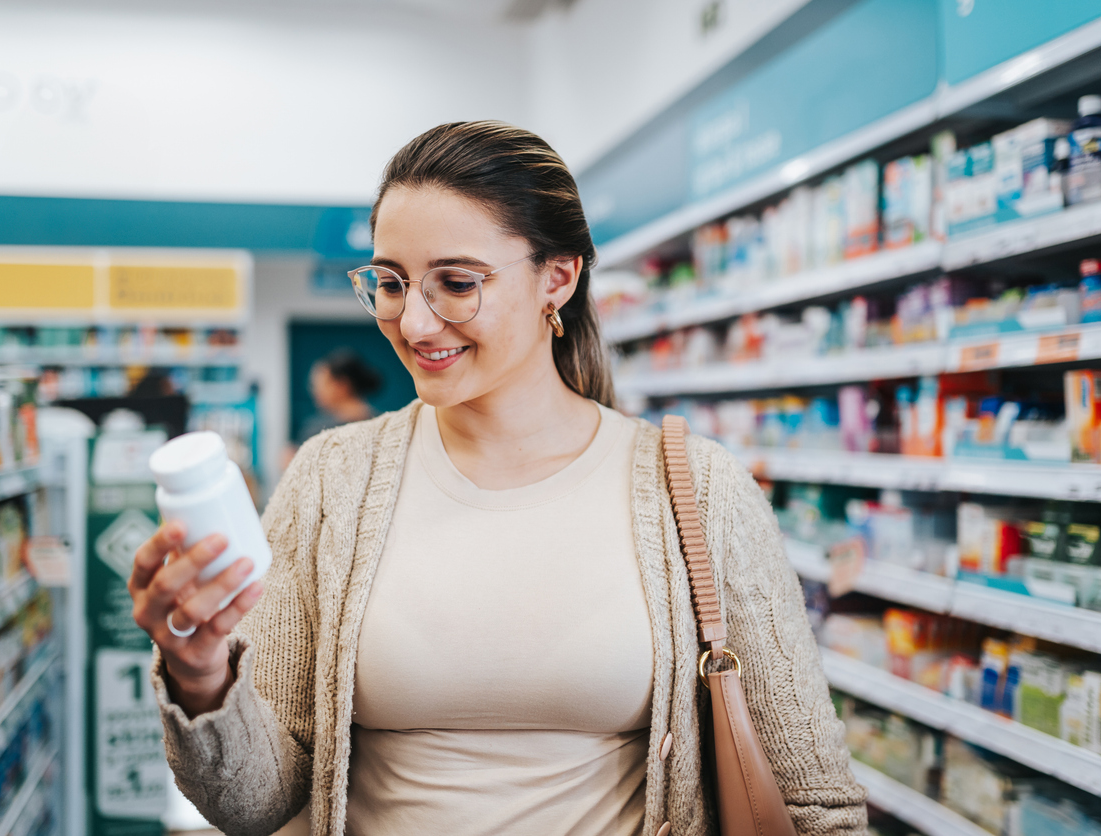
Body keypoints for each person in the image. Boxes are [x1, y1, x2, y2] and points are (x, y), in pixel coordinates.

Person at [128, 121, 868, 836]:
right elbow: (256, 804)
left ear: (559, 277)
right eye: (390, 283)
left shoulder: (699, 492)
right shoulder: (330, 480)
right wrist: (201, 677)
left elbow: (814, 806)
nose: (413, 324)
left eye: (455, 282)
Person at [283, 349, 379, 470]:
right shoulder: (381, 422)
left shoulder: (317, 431)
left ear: (343, 385)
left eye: (320, 384)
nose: (314, 391)